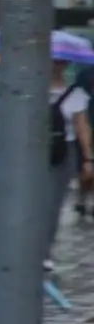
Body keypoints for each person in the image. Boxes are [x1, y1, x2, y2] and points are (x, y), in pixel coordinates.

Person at [44, 60, 93, 271]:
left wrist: (88, 158)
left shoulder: (76, 94)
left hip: (63, 152)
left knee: (53, 204)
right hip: (35, 152)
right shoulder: (30, 91)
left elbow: (83, 129)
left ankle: (45, 250)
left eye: (59, 63)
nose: (56, 66)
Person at [73, 63, 94, 217]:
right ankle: (82, 199)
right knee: (86, 167)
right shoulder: (86, 73)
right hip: (87, 122)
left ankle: (85, 200)